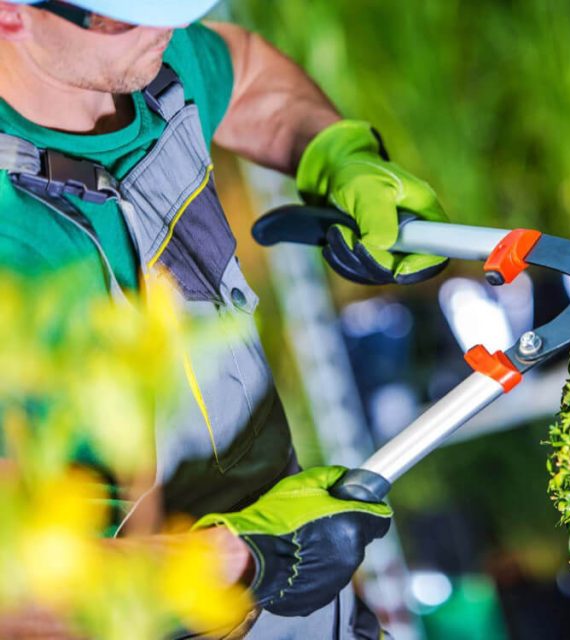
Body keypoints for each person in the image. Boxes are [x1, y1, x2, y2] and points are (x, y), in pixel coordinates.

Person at [0, 1, 449, 637]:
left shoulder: (146, 67)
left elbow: (243, 68)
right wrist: (238, 563)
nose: (168, 26)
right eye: (128, 13)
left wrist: (337, 155)